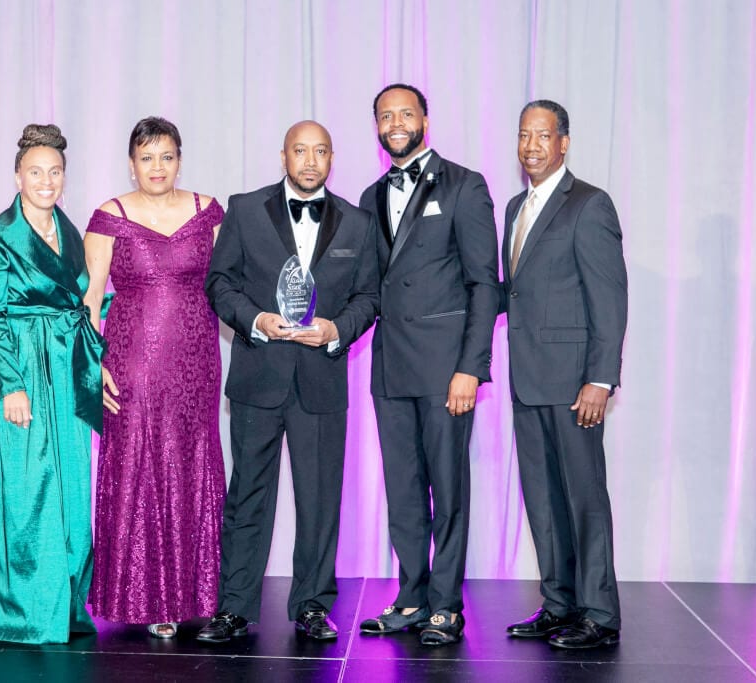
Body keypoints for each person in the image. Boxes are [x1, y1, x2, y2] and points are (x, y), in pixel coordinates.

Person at [197, 120, 380, 644]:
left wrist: (336, 329)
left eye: (320, 151)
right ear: (283, 156)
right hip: (258, 376)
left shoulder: (358, 223)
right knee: (247, 495)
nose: (310, 160)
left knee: (320, 501)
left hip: (321, 380)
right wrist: (255, 320)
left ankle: (313, 605)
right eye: (300, 150)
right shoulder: (245, 209)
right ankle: (234, 608)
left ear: (332, 159)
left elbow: (369, 297)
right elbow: (219, 283)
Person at [356, 84, 500, 646]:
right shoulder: (369, 196)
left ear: (425, 120)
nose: (395, 123)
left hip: (446, 370)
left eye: (405, 113)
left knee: (449, 489)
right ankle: (412, 597)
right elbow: (369, 285)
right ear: (376, 126)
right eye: (385, 116)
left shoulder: (465, 185)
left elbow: (484, 284)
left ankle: (446, 604)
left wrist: (471, 367)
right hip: (390, 366)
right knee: (403, 490)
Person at [0, 124, 105, 644]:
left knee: (70, 485)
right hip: (19, 366)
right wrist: (11, 385)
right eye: (36, 172)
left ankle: (64, 604)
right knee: (25, 486)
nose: (46, 181)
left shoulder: (71, 233)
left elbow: (85, 302)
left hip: (64, 367)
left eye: (55, 172)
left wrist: (98, 358)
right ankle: (19, 608)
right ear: (17, 177)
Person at [83, 117, 226, 639]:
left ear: (180, 160)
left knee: (193, 461)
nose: (157, 167)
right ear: (132, 164)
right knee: (142, 464)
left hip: (197, 361)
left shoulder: (208, 212)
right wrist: (91, 364)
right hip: (132, 364)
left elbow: (229, 285)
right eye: (147, 158)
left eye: (166, 156)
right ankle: (150, 598)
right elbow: (90, 298)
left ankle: (202, 594)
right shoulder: (109, 216)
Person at [502, 100, 627, 649]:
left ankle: (599, 613)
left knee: (584, 500)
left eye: (542, 135)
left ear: (564, 142)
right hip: (527, 380)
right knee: (543, 500)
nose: (531, 146)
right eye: (524, 135)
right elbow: (517, 292)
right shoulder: (515, 207)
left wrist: (600, 379)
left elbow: (609, 299)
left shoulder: (590, 204)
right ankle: (559, 604)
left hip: (575, 384)